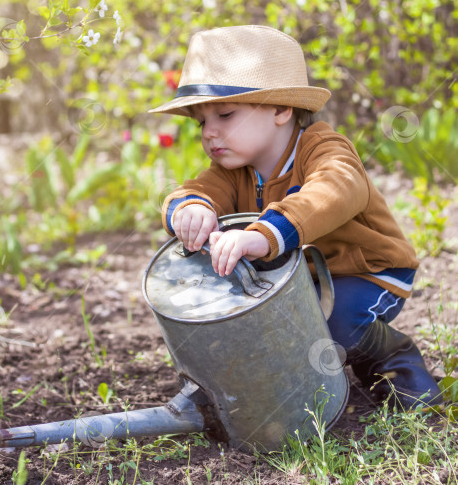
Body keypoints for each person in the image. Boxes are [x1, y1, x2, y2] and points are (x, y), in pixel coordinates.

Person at [149, 24, 443, 410]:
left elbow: (337, 188)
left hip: (366, 270)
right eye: (202, 121)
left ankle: (399, 369)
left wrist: (267, 233)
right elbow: (194, 191)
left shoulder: (321, 149)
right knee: (267, 332)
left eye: (224, 114)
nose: (210, 133)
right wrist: (189, 209)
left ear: (281, 109)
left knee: (331, 328)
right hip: (300, 281)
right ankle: (288, 392)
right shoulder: (232, 171)